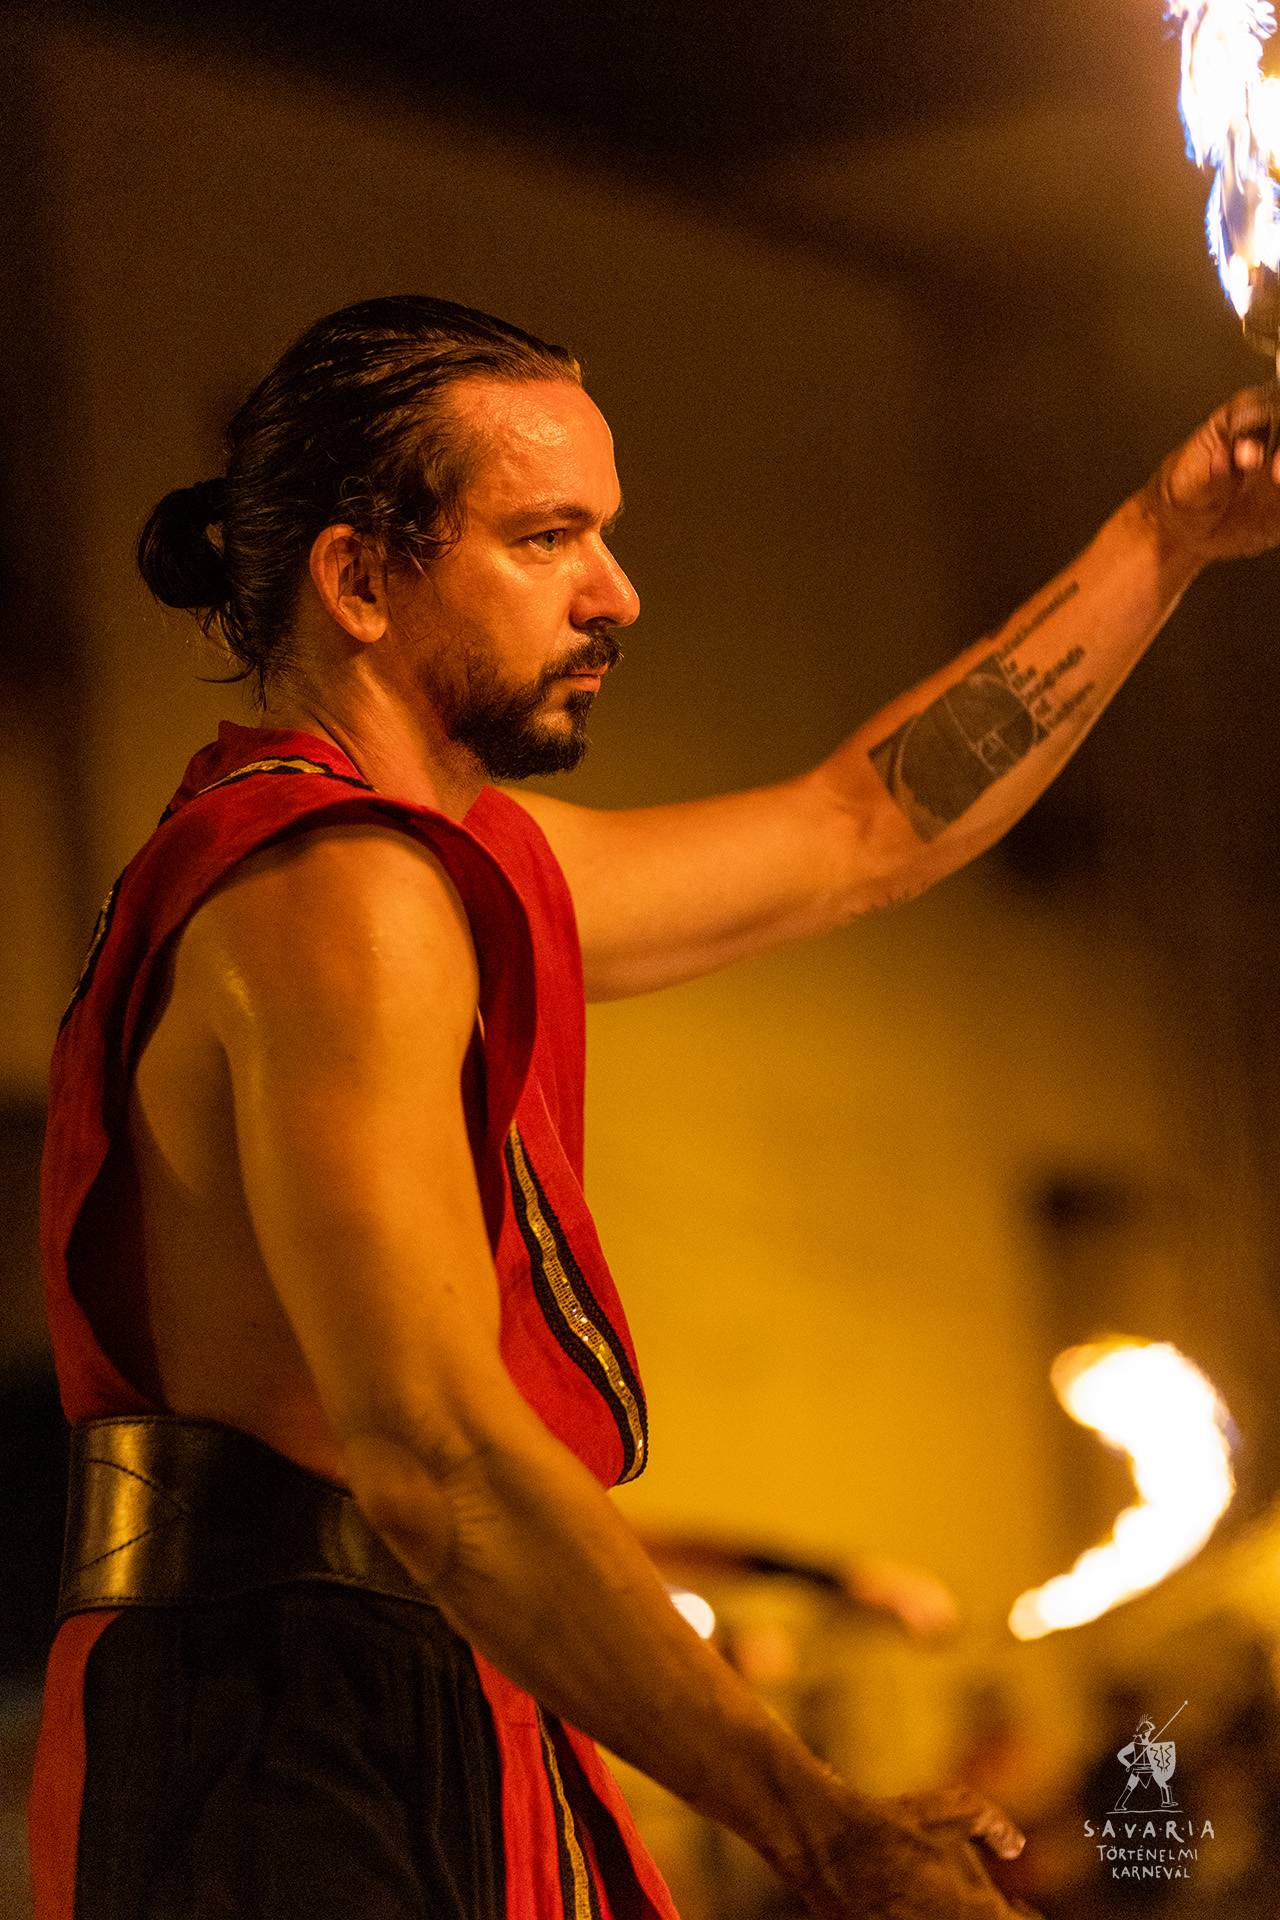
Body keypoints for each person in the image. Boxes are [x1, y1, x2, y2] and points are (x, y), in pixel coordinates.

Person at [28, 293, 1280, 1920]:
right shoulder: (332, 892)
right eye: (547, 537)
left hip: (381, 1688)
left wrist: (1163, 537)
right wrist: (821, 1826)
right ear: (359, 580)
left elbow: (862, 828)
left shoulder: (435, 871)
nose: (616, 592)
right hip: (294, 1730)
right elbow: (437, 1455)